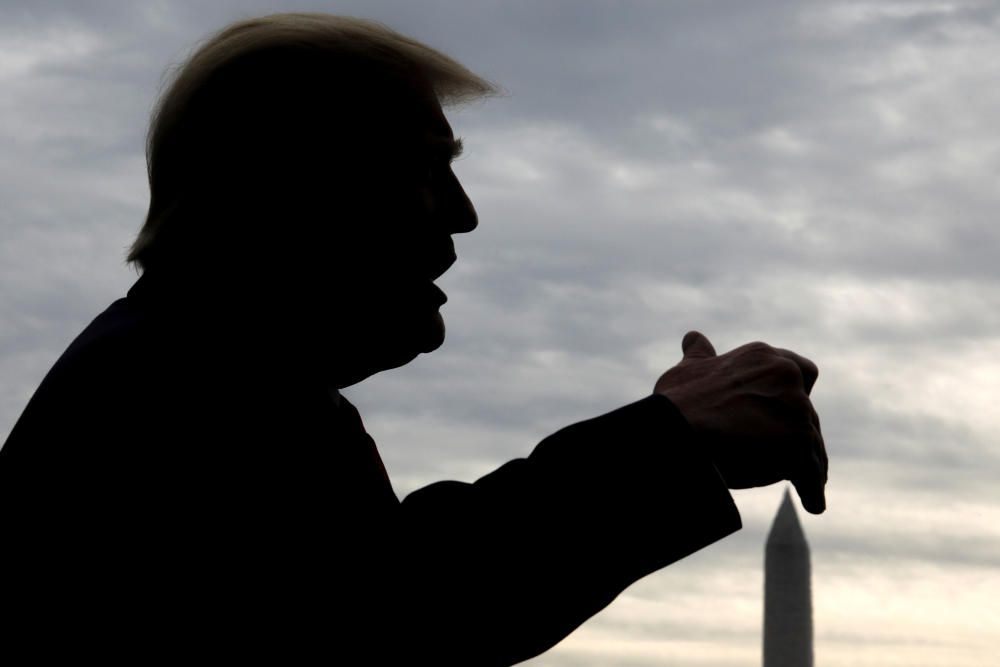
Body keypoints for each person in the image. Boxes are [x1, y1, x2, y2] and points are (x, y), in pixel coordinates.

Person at [0, 13, 827, 664]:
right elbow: (379, 619)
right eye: (428, 168)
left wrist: (672, 443)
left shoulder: (186, 369)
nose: (465, 212)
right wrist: (670, 440)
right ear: (294, 191)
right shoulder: (176, 392)